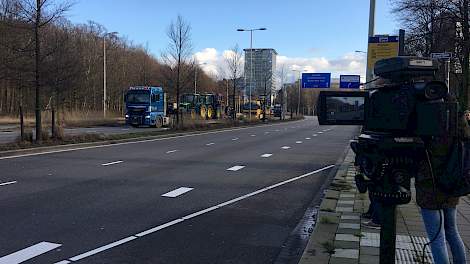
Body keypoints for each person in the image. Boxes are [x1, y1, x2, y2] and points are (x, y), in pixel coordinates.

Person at [415, 110, 469, 264]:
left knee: (437, 238)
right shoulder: (458, 119)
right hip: (452, 182)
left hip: (429, 185)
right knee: (452, 230)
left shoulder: (427, 117)